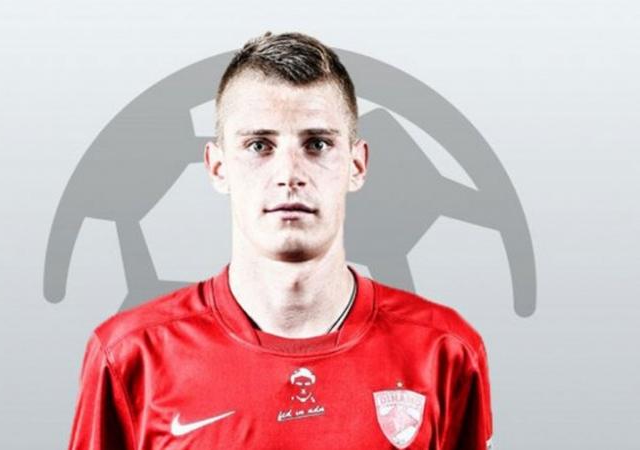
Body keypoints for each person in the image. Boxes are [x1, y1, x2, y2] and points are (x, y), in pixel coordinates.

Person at [67, 31, 493, 450]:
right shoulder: (129, 355)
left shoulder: (445, 352)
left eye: (317, 144)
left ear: (356, 164)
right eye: (259, 145)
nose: (289, 174)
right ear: (217, 168)